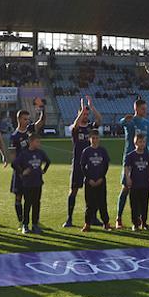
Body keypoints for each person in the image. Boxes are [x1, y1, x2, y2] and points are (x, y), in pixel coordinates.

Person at [116, 98, 149, 229]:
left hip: (143, 160)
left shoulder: (147, 123)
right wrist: (123, 120)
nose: (145, 111)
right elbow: (121, 123)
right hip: (129, 160)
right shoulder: (130, 121)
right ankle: (119, 218)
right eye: (143, 109)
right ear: (136, 109)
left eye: (146, 108)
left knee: (142, 189)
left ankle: (140, 220)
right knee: (126, 188)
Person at [63, 98, 100, 228]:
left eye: (86, 114)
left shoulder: (90, 128)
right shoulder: (75, 128)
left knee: (93, 191)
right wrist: (82, 108)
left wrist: (91, 107)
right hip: (78, 164)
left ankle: (93, 218)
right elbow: (74, 125)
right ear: (79, 114)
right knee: (73, 190)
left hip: (90, 165)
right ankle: (69, 219)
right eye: (83, 114)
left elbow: (99, 120)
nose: (85, 116)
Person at [8, 104, 44, 227]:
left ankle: (32, 221)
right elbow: (12, 157)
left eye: (28, 119)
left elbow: (41, 122)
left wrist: (42, 110)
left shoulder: (30, 130)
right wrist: (20, 171)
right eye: (24, 119)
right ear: (18, 120)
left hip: (32, 172)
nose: (27, 121)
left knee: (32, 198)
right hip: (20, 171)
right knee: (18, 197)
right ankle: (21, 221)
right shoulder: (14, 136)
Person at [15, 134, 51, 234]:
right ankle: (25, 225)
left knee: (36, 204)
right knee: (27, 204)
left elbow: (48, 161)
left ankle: (35, 224)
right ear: (31, 142)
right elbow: (15, 164)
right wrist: (22, 172)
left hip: (38, 182)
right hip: (27, 184)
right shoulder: (24, 153)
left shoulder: (40, 153)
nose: (39, 143)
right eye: (37, 141)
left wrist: (43, 170)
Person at [80, 129, 111, 231]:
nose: (95, 140)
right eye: (93, 138)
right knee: (89, 204)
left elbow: (106, 165)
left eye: (96, 138)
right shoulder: (86, 151)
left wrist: (101, 177)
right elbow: (82, 166)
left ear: (99, 139)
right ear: (89, 139)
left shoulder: (103, 151)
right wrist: (89, 179)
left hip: (101, 181)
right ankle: (87, 224)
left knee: (102, 203)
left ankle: (106, 223)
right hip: (89, 182)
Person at [124, 133, 149, 231]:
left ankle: (144, 222)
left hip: (144, 184)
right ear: (135, 143)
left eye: (143, 142)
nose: (142, 144)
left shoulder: (147, 155)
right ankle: (135, 223)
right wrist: (128, 179)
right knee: (134, 205)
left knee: (144, 204)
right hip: (134, 184)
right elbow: (127, 168)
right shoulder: (131, 155)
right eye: (140, 142)